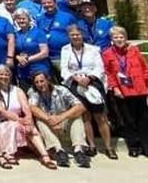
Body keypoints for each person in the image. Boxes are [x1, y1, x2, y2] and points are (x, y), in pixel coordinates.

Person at [0, 64, 55, 169]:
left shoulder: (17, 90)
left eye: (6, 74)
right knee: (12, 125)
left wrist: (28, 120)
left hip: (18, 119)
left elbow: (26, 107)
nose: (4, 77)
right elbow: (1, 110)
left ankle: (45, 156)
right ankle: (9, 153)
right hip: (0, 121)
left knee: (31, 128)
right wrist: (20, 120)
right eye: (1, 74)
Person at [60, 24, 114, 158]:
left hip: (93, 82)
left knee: (100, 116)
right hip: (75, 82)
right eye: (72, 35)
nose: (75, 37)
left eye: (77, 34)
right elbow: (64, 69)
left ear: (82, 35)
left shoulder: (93, 49)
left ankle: (108, 147)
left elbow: (99, 68)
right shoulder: (65, 49)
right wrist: (75, 78)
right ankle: (91, 145)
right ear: (68, 36)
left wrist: (89, 78)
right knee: (85, 116)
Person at [26, 71, 90, 168]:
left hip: (62, 120)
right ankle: (59, 150)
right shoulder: (33, 92)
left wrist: (61, 117)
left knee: (76, 116)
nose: (40, 84)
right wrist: (50, 120)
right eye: (37, 82)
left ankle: (78, 151)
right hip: (48, 122)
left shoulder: (61, 90)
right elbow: (33, 108)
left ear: (48, 80)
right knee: (40, 120)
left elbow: (80, 107)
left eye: (42, 81)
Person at [102, 26, 148, 157]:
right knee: (128, 119)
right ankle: (133, 146)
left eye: (121, 37)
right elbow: (108, 73)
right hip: (123, 91)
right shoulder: (107, 54)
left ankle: (146, 145)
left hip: (140, 89)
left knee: (143, 119)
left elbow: (144, 68)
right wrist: (115, 88)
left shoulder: (134, 50)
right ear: (111, 39)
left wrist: (146, 84)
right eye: (115, 37)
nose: (119, 39)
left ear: (126, 38)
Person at [12, 8, 50, 88]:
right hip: (23, 72)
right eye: (19, 19)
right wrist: (18, 57)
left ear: (29, 19)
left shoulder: (38, 32)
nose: (21, 21)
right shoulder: (15, 34)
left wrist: (27, 59)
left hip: (39, 69)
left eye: (23, 18)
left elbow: (44, 52)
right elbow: (14, 52)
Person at [36, 0, 73, 74]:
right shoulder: (39, 19)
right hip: (47, 57)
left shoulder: (67, 17)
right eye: (44, 3)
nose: (47, 5)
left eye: (49, 2)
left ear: (55, 3)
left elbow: (75, 34)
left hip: (64, 56)